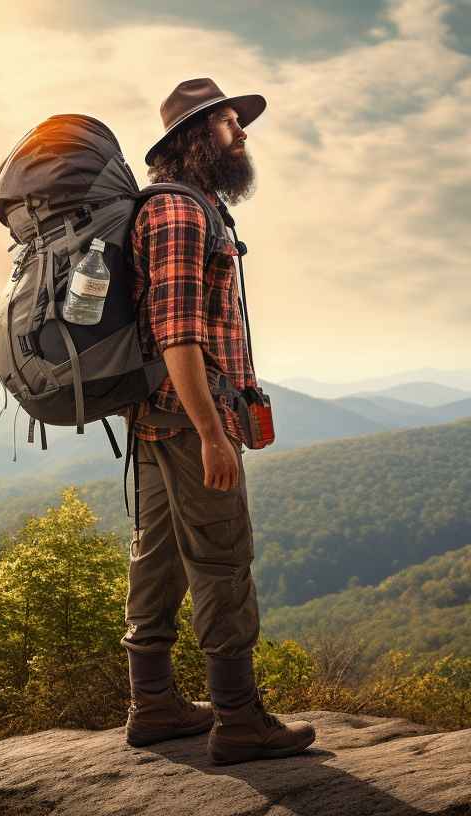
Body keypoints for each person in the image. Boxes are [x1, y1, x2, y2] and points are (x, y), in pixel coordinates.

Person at [117, 77, 316, 764]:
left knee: (160, 555)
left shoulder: (189, 209)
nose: (243, 134)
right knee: (224, 562)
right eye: (232, 123)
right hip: (186, 420)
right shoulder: (180, 215)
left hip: (156, 419)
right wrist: (211, 434)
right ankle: (238, 719)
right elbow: (178, 334)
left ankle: (155, 705)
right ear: (197, 135)